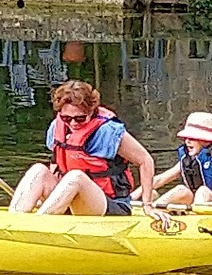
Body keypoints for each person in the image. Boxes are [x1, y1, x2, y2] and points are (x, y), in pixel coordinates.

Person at [9, 80, 160, 217]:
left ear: (91, 111)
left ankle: (40, 224)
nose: (73, 123)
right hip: (69, 198)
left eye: (80, 118)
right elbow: (56, 164)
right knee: (38, 170)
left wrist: (147, 205)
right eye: (67, 118)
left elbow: (145, 161)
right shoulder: (57, 126)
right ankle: (15, 218)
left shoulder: (108, 131)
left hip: (109, 204)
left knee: (76, 176)